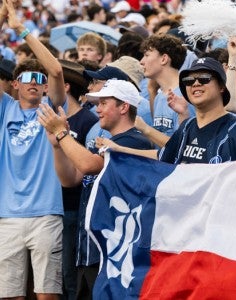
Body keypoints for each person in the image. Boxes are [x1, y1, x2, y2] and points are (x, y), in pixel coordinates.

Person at [37, 79, 153, 299]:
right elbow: (70, 179)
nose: (97, 109)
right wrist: (57, 146)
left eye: (103, 103)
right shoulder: (107, 142)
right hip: (89, 250)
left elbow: (89, 165)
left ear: (123, 107)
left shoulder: (136, 142)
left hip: (114, 256)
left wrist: (62, 134)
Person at [97, 57, 236, 190]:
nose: (195, 83)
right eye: (189, 81)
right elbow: (162, 156)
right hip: (186, 226)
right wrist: (119, 149)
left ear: (221, 87)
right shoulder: (186, 127)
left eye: (204, 78)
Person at [0, 0, 67, 298]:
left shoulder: (51, 109)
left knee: (47, 294)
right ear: (14, 84)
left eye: (38, 80)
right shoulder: (4, 110)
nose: (34, 83)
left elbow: (54, 69)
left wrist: (21, 29)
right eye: (26, 78)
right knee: (9, 294)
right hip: (7, 214)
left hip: (46, 214)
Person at [58, 59, 98, 300]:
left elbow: (82, 171)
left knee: (70, 279)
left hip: (73, 208)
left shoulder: (89, 121)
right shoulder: (47, 115)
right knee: (59, 278)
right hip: (52, 208)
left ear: (66, 87)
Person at [139, 34, 195, 136]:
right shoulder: (158, 96)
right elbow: (158, 138)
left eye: (147, 55)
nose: (141, 61)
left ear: (164, 59)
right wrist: (151, 91)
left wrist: (145, 129)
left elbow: (183, 144)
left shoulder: (187, 93)